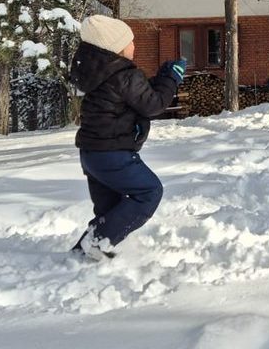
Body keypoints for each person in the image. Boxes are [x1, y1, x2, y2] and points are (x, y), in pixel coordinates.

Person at [68, 15, 186, 260]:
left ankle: (82, 255)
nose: (135, 46)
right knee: (149, 192)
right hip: (113, 154)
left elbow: (133, 97)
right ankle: (96, 245)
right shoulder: (124, 73)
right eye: (131, 41)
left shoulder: (102, 73)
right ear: (116, 47)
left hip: (92, 154)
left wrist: (161, 79)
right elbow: (152, 105)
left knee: (110, 211)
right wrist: (171, 80)